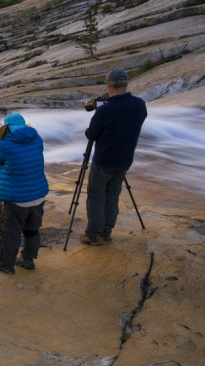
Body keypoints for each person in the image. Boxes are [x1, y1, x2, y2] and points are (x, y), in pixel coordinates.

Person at [81, 69, 147, 246]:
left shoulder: (105, 111)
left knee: (96, 195)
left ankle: (93, 233)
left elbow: (91, 134)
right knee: (112, 195)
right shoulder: (139, 105)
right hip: (125, 159)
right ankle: (106, 231)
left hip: (104, 160)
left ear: (109, 84)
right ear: (126, 83)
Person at [0, 113, 49, 274]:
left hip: (17, 199)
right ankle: (28, 260)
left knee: (11, 233)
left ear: (7, 128)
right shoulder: (37, 138)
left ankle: (6, 265)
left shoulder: (6, 145)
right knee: (32, 229)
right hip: (38, 194)